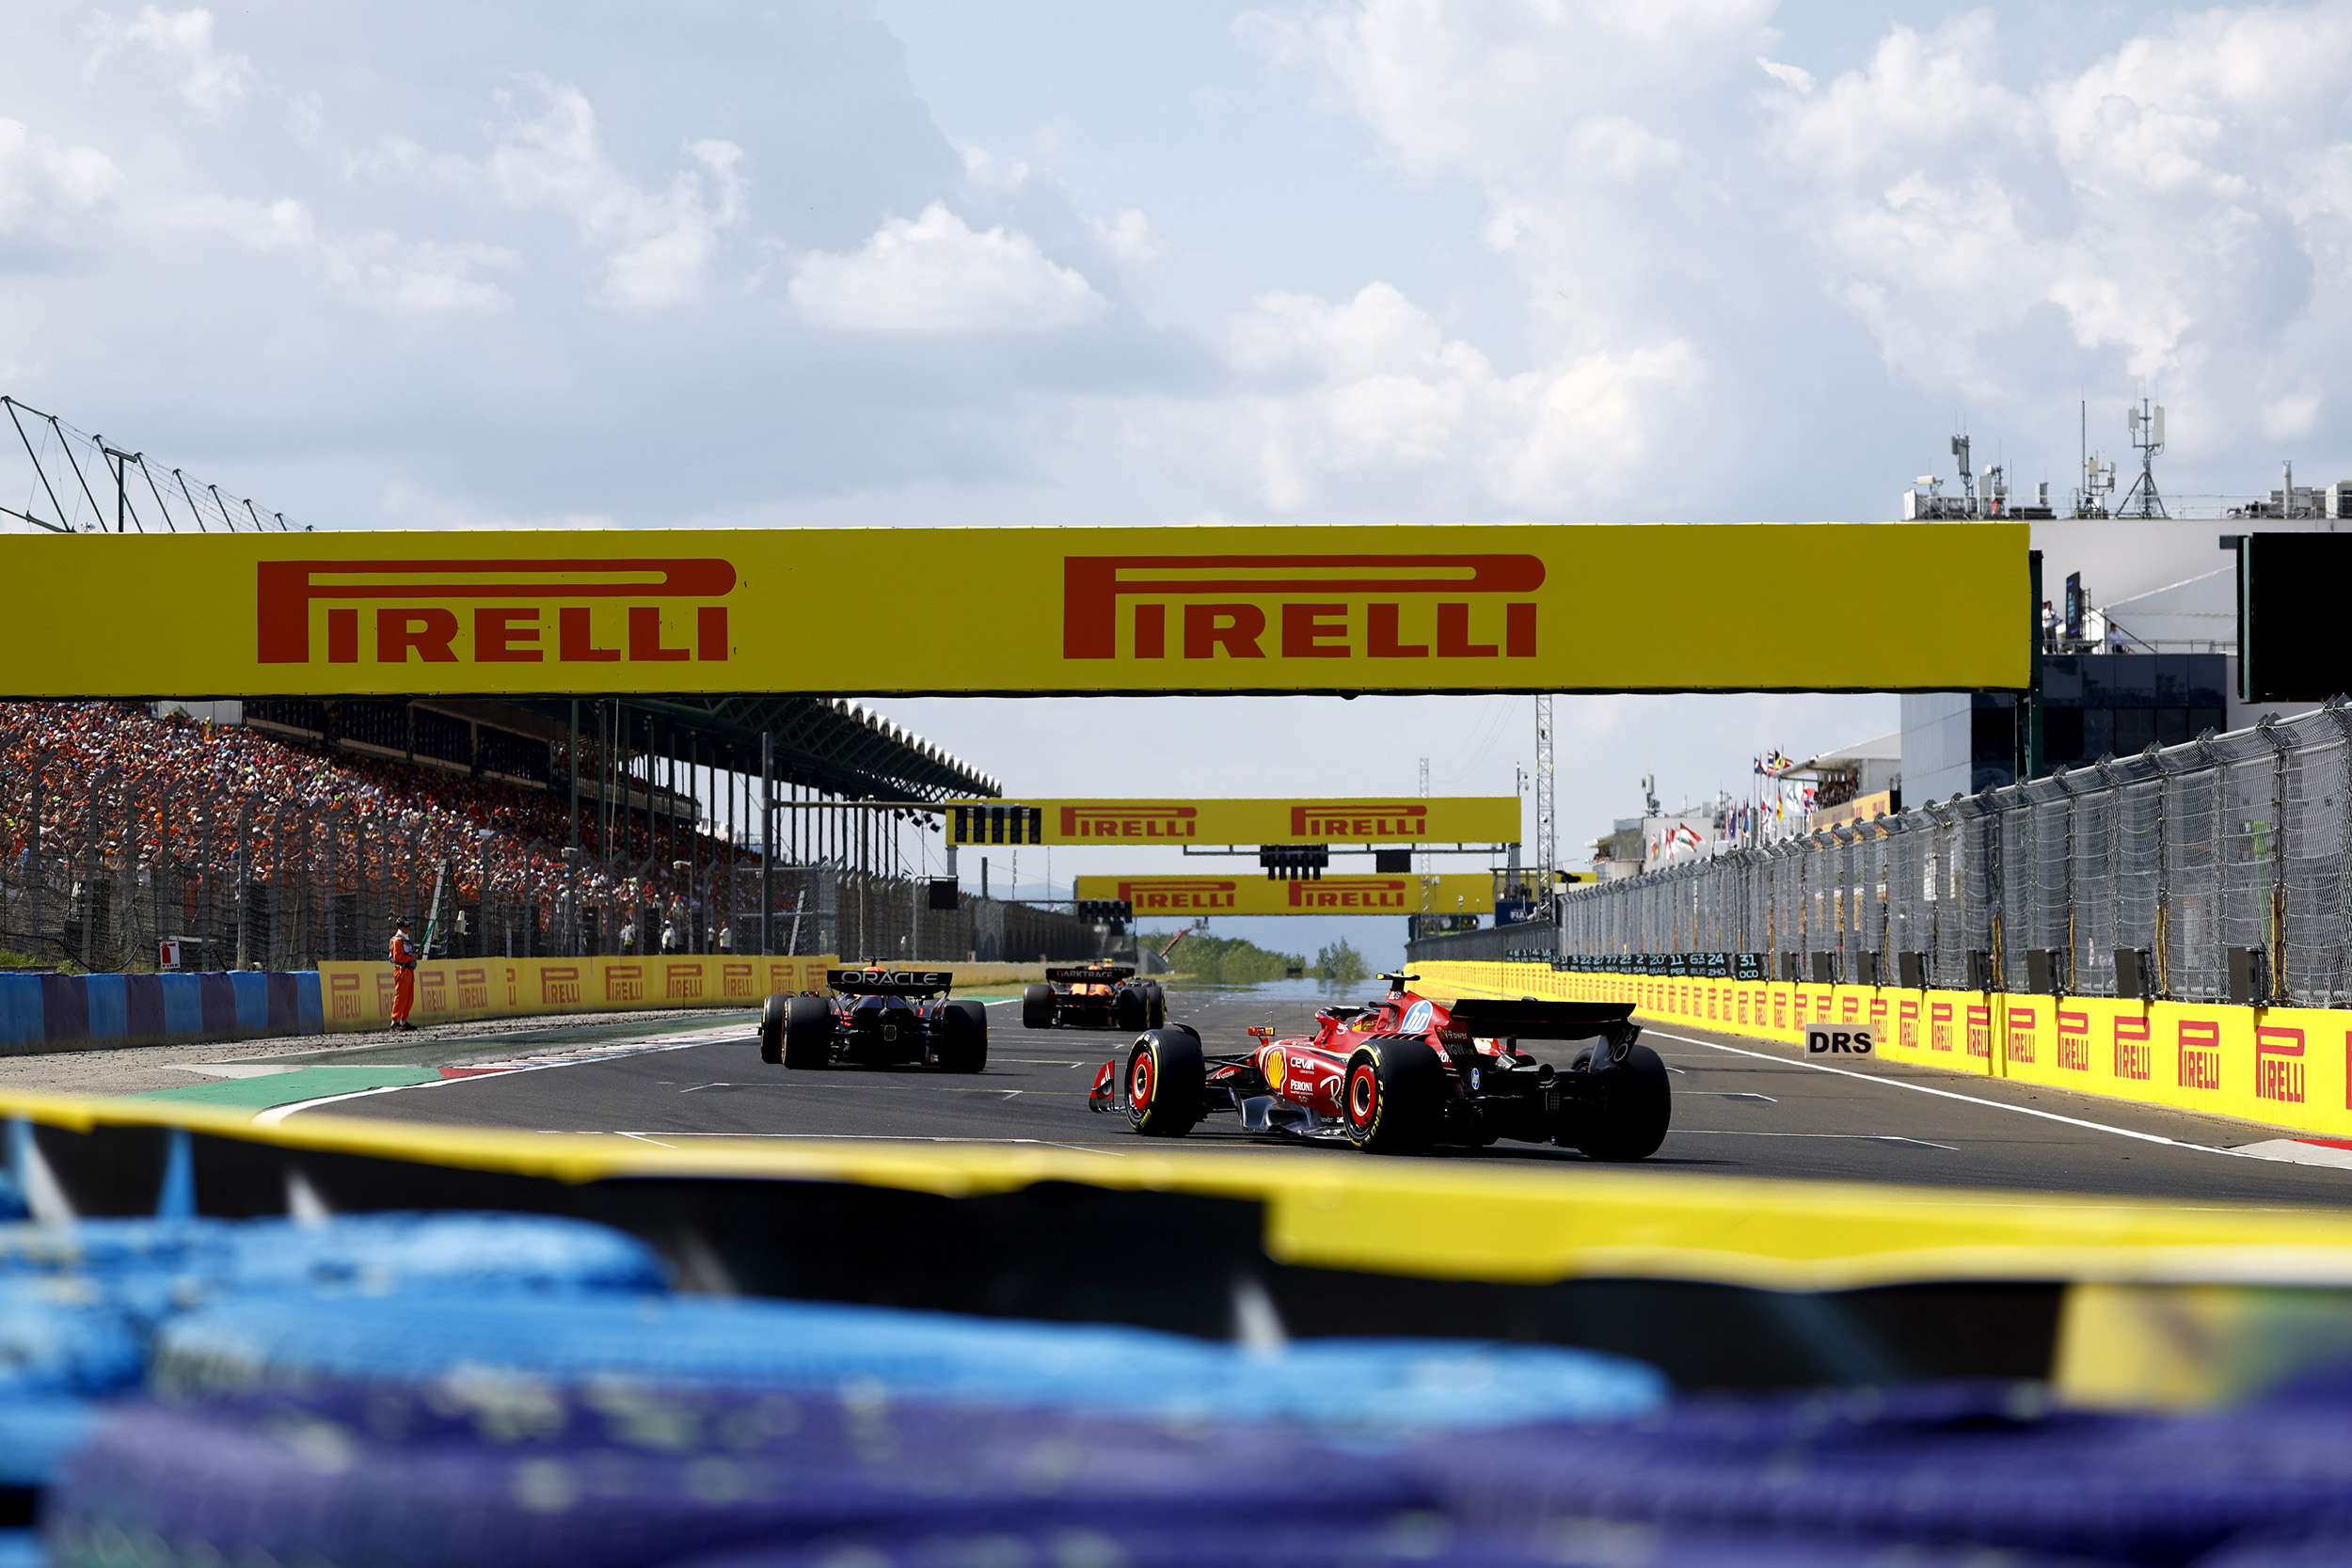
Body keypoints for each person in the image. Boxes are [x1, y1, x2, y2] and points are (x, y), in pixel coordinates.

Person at [389, 918, 419, 1031]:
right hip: (401, 970)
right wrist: (411, 958)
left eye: (408, 926)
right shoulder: (397, 940)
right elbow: (397, 958)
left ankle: (403, 1020)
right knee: (401, 996)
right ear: (400, 927)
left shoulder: (405, 939)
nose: (408, 928)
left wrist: (414, 956)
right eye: (406, 926)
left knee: (409, 997)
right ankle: (394, 1021)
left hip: (409, 970)